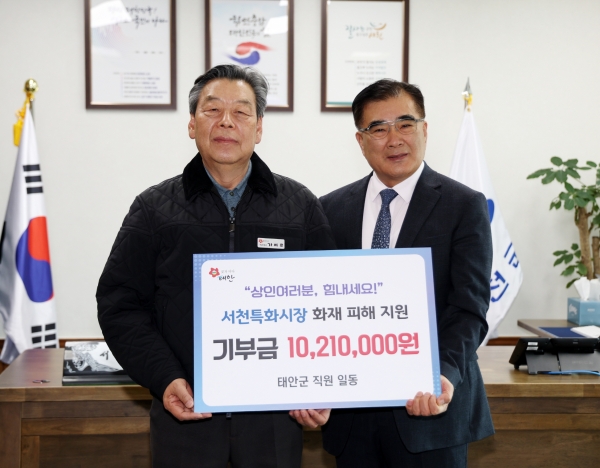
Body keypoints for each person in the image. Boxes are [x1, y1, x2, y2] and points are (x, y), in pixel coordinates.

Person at [96, 64, 335, 468]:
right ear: (192, 124)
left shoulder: (300, 207)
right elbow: (120, 305)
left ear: (259, 127)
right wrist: (165, 377)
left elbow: (329, 305)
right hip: (186, 414)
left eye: (241, 111)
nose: (226, 121)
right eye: (212, 110)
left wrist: (318, 384)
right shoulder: (153, 209)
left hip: (274, 419)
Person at [290, 79, 494, 467]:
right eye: (378, 129)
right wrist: (312, 384)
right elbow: (317, 311)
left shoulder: (463, 205)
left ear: (425, 129)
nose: (394, 139)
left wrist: (442, 374)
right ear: (361, 140)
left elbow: (469, 308)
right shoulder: (329, 209)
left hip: (430, 410)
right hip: (352, 416)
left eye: (405, 124)